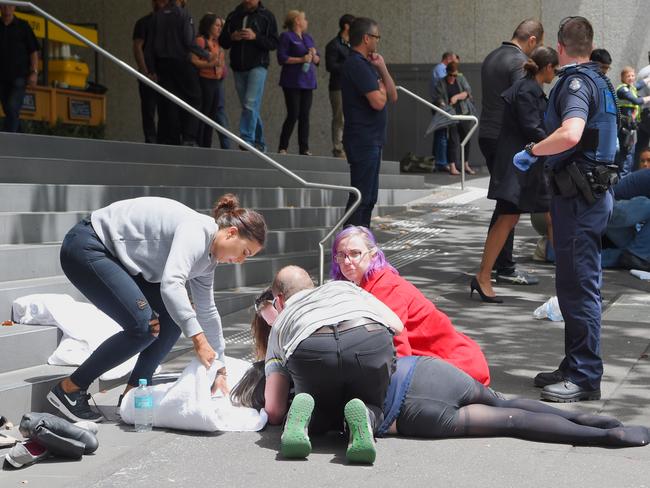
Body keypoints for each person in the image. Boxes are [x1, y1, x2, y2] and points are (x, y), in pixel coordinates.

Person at [234, 322, 650, 450]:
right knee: (509, 401)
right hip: (426, 372)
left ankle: (608, 438)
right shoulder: (305, 359)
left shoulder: (300, 402)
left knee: (510, 420)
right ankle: (588, 418)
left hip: (414, 415)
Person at [46, 194, 267, 422]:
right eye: (244, 252)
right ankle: (70, 389)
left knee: (172, 321)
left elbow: (207, 310)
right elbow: (172, 284)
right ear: (231, 233)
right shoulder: (197, 230)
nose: (241, 260)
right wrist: (199, 340)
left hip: (119, 259)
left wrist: (220, 368)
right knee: (143, 326)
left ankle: (133, 396)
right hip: (88, 246)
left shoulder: (208, 261)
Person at [513, 16, 619, 402]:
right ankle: (575, 364)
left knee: (579, 288)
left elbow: (571, 133)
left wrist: (530, 151)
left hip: (579, 198)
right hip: (588, 195)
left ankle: (586, 374)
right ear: (589, 45)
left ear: (559, 48)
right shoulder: (600, 80)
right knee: (572, 284)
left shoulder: (574, 83)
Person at [264, 266, 403, 463]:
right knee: (374, 402)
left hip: (310, 345)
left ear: (278, 301)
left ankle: (306, 420)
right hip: (367, 337)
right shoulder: (346, 287)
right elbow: (397, 326)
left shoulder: (281, 321)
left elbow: (274, 410)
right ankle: (368, 413)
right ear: (312, 287)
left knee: (317, 404)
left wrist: (279, 415)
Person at [331, 226, 490, 385]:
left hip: (457, 367)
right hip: (442, 364)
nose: (346, 261)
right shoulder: (365, 283)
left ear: (373, 255)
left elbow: (397, 349)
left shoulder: (384, 288)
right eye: (341, 255)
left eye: (355, 254)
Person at [472, 46, 559, 303]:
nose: (556, 73)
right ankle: (483, 276)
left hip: (522, 166)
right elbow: (533, 128)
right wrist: (559, 143)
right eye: (555, 68)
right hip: (519, 167)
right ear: (547, 68)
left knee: (520, 218)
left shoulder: (528, 89)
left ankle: (484, 276)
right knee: (509, 219)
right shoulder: (527, 90)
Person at [479, 19, 544, 286]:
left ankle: (495, 264)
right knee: (509, 206)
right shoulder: (518, 62)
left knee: (506, 206)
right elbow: (523, 101)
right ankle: (502, 267)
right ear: (531, 40)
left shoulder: (492, 56)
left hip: (487, 134)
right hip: (505, 140)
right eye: (536, 45)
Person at [340, 17, 397, 228]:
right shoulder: (356, 64)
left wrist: (382, 68)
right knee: (361, 198)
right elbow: (378, 102)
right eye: (376, 37)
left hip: (371, 139)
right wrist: (380, 90)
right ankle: (347, 246)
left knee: (369, 198)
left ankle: (359, 244)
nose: (377, 41)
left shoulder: (368, 65)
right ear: (366, 38)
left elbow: (393, 96)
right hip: (362, 139)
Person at [219, 0, 278, 152]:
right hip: (238, 66)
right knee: (249, 106)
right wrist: (232, 37)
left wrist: (255, 37)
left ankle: (246, 140)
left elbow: (274, 43)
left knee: (250, 103)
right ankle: (260, 143)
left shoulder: (267, 16)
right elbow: (223, 41)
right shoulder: (233, 16)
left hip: (258, 65)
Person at [147, 0, 207, 146]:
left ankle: (172, 138)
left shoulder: (157, 16)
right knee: (195, 98)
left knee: (170, 101)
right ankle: (189, 137)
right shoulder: (184, 15)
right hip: (181, 63)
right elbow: (189, 41)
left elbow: (149, 46)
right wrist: (206, 54)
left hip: (162, 65)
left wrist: (152, 69)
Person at [276, 10, 319, 156]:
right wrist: (301, 59)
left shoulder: (308, 38)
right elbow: (282, 58)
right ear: (297, 21)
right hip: (292, 81)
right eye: (304, 19)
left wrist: (313, 56)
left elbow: (317, 59)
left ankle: (304, 148)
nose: (306, 22)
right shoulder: (286, 36)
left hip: (308, 81)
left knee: (305, 115)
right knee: (293, 113)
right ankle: (283, 146)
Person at [192, 13, 231, 149]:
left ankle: (207, 145)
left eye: (221, 26)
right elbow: (193, 60)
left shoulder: (217, 42)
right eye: (217, 25)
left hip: (216, 81)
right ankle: (200, 143)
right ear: (208, 26)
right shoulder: (201, 41)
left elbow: (226, 34)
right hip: (204, 80)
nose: (219, 28)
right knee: (204, 113)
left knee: (212, 115)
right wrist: (210, 64)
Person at [602, 166, 650, 271]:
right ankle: (637, 255)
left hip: (610, 215)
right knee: (638, 254)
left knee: (628, 254)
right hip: (613, 210)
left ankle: (570, 258)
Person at [433, 61, 476, 175]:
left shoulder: (461, 79)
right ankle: (452, 166)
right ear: (446, 73)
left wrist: (456, 97)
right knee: (452, 140)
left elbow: (468, 92)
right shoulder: (441, 83)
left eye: (455, 75)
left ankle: (465, 165)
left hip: (463, 113)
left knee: (466, 139)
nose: (453, 78)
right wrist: (443, 104)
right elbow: (438, 98)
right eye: (451, 75)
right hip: (451, 115)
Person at [0, 4, 39, 133]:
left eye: (10, 6)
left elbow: (33, 51)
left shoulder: (23, 26)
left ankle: (8, 141)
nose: (7, 8)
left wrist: (34, 72)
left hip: (19, 76)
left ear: (14, 8)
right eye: (4, 5)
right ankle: (20, 136)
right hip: (1, 77)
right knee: (9, 109)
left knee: (12, 107)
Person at [132, 0, 166, 144]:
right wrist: (145, 72)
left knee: (166, 111)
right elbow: (137, 47)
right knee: (149, 110)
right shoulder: (143, 22)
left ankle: (165, 141)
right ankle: (151, 141)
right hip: (149, 73)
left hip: (167, 75)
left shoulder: (171, 23)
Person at [325, 14, 355, 158]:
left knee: (352, 117)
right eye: (353, 25)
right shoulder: (333, 45)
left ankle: (349, 147)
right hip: (338, 86)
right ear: (347, 26)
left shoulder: (354, 44)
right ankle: (338, 149)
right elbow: (330, 66)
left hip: (353, 86)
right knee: (340, 118)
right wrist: (349, 65)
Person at [616, 66, 650, 176]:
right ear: (622, 78)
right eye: (628, 76)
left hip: (631, 127)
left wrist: (648, 79)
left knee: (631, 152)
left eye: (632, 76)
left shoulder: (631, 87)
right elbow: (636, 100)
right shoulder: (623, 89)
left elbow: (640, 84)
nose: (631, 78)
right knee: (626, 154)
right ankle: (623, 178)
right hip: (625, 127)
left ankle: (627, 175)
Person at [430, 51, 458, 174]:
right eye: (453, 60)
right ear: (448, 59)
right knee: (442, 135)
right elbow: (442, 89)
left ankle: (438, 160)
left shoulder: (438, 69)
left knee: (440, 135)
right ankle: (441, 162)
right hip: (441, 106)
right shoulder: (441, 69)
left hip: (441, 105)